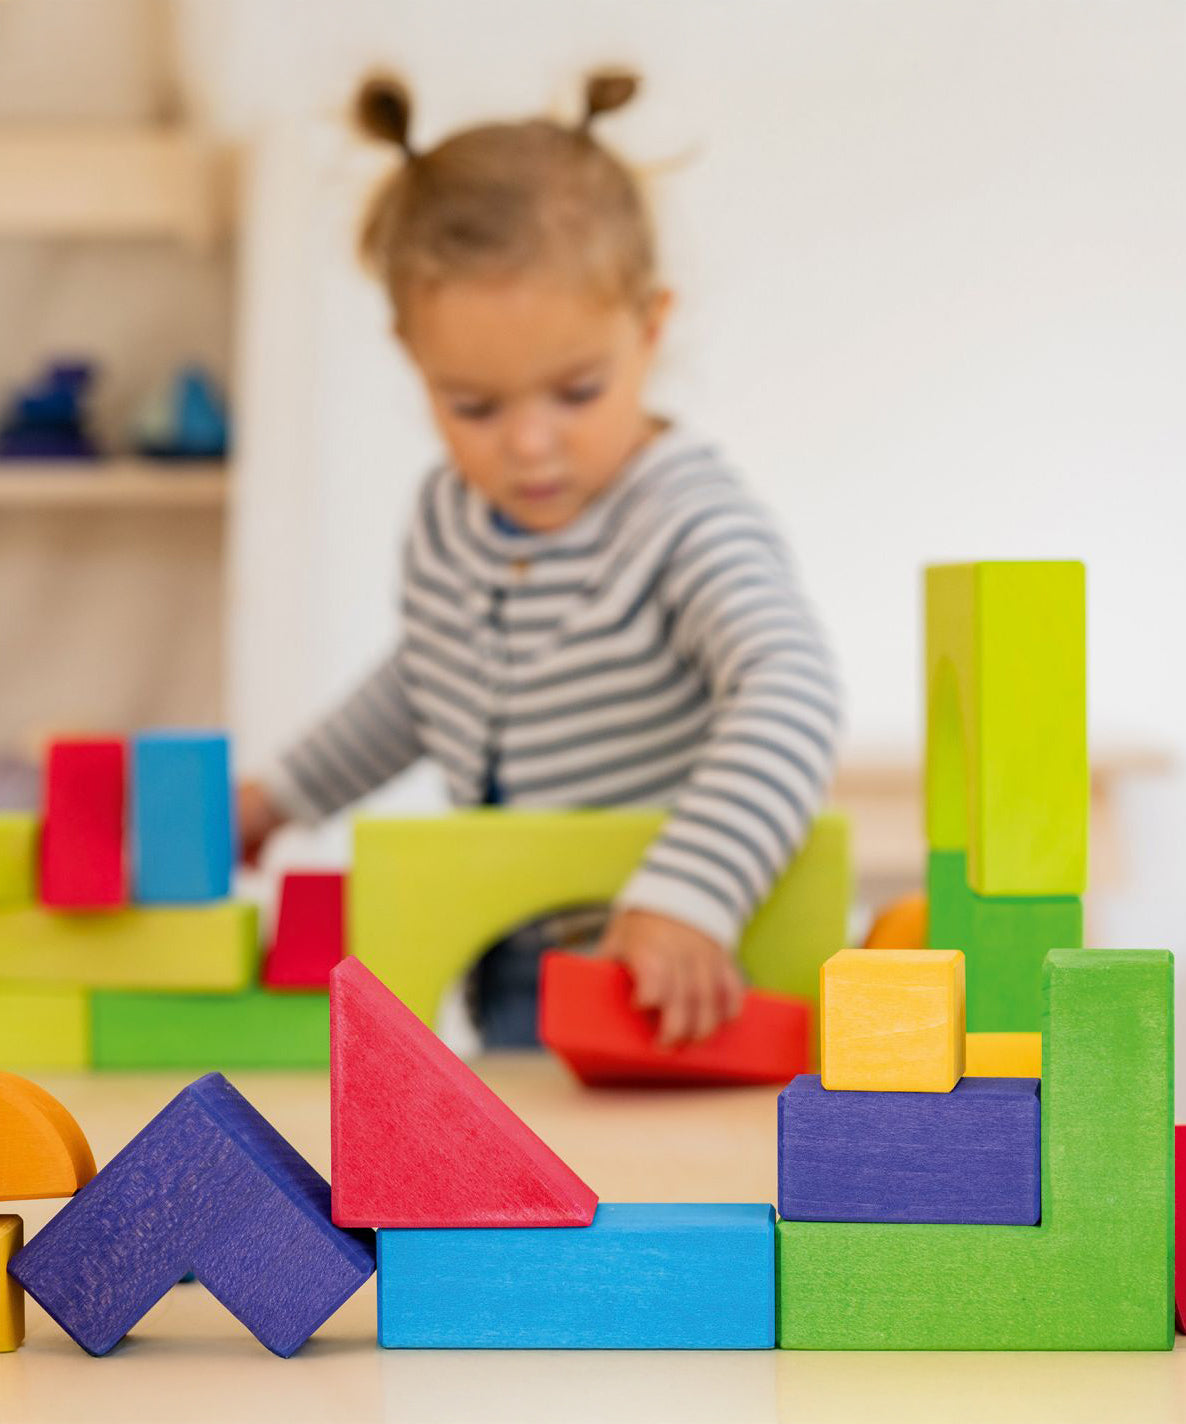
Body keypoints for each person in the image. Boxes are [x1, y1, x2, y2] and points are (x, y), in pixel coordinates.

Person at [238, 70, 841, 1050]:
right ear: (412, 359)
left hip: (677, 979)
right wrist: (280, 796)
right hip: (512, 972)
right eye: (473, 405)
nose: (527, 445)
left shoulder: (680, 515)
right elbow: (425, 681)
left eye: (575, 391)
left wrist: (691, 895)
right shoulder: (449, 516)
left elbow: (792, 686)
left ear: (648, 329)